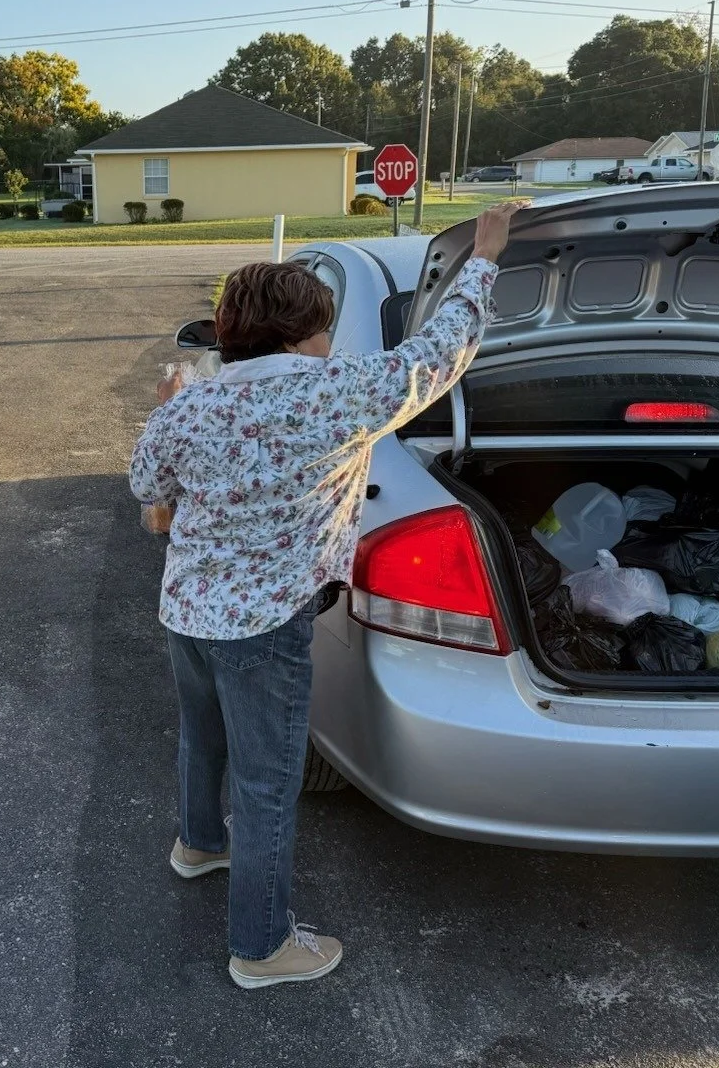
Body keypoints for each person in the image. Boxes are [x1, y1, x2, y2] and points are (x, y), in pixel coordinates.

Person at [129, 199, 527, 989]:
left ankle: (198, 845)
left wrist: (173, 422)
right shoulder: (336, 391)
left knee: (203, 737)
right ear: (306, 330)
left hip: (186, 610)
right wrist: (484, 256)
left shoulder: (192, 402)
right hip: (265, 623)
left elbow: (148, 487)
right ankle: (261, 948)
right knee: (268, 782)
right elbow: (442, 353)